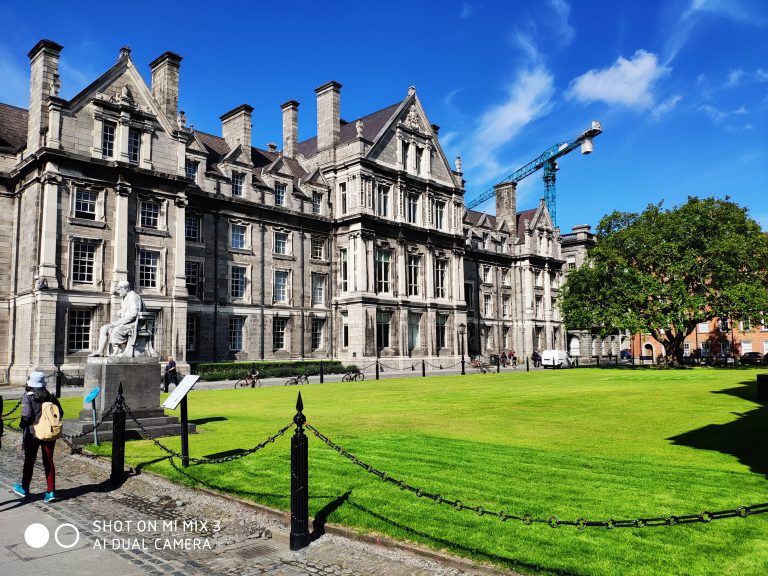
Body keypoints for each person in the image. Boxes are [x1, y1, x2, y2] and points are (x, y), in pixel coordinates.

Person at [13, 371, 63, 503]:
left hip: (33, 433)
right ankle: (51, 491)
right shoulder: (50, 396)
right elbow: (60, 412)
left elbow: (27, 416)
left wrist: (22, 424)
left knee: (29, 461)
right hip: (48, 433)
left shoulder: (28, 396)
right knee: (49, 461)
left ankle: (24, 488)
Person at [89, 280, 144, 357]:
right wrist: (120, 312)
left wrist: (118, 323)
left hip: (133, 324)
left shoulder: (133, 297)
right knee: (104, 328)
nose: (118, 292)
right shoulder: (124, 298)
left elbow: (133, 314)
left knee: (115, 330)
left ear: (126, 289)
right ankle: (100, 351)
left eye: (119, 289)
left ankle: (118, 350)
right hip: (125, 323)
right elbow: (124, 311)